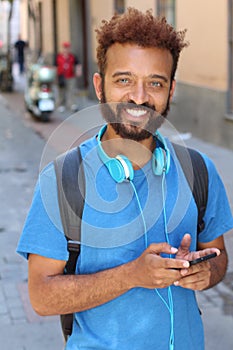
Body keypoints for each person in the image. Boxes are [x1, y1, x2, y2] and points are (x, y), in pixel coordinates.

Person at [17, 8, 233, 350]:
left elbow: (218, 255)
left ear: (171, 90)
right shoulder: (62, 180)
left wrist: (207, 273)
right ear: (100, 86)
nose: (139, 97)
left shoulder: (200, 170)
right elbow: (42, 296)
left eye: (155, 83)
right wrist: (132, 275)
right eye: (124, 80)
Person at [55, 41, 82, 112]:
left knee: (71, 91)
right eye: (65, 48)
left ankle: (72, 104)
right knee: (61, 91)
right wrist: (55, 76)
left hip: (71, 76)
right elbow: (55, 66)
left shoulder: (72, 57)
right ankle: (61, 105)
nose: (66, 50)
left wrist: (78, 71)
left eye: (67, 48)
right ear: (62, 49)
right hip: (61, 77)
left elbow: (78, 64)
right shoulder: (59, 57)